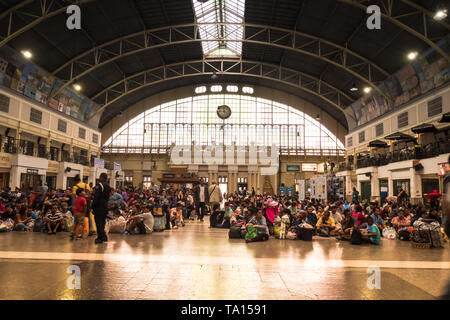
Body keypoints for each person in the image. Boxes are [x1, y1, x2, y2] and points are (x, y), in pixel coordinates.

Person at [92, 173, 111, 244]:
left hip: (99, 206)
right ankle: (103, 236)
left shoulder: (100, 185)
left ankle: (101, 237)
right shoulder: (108, 186)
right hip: (105, 206)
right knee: (102, 222)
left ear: (102, 178)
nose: (99, 178)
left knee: (98, 222)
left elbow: (96, 197)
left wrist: (93, 206)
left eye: (100, 177)